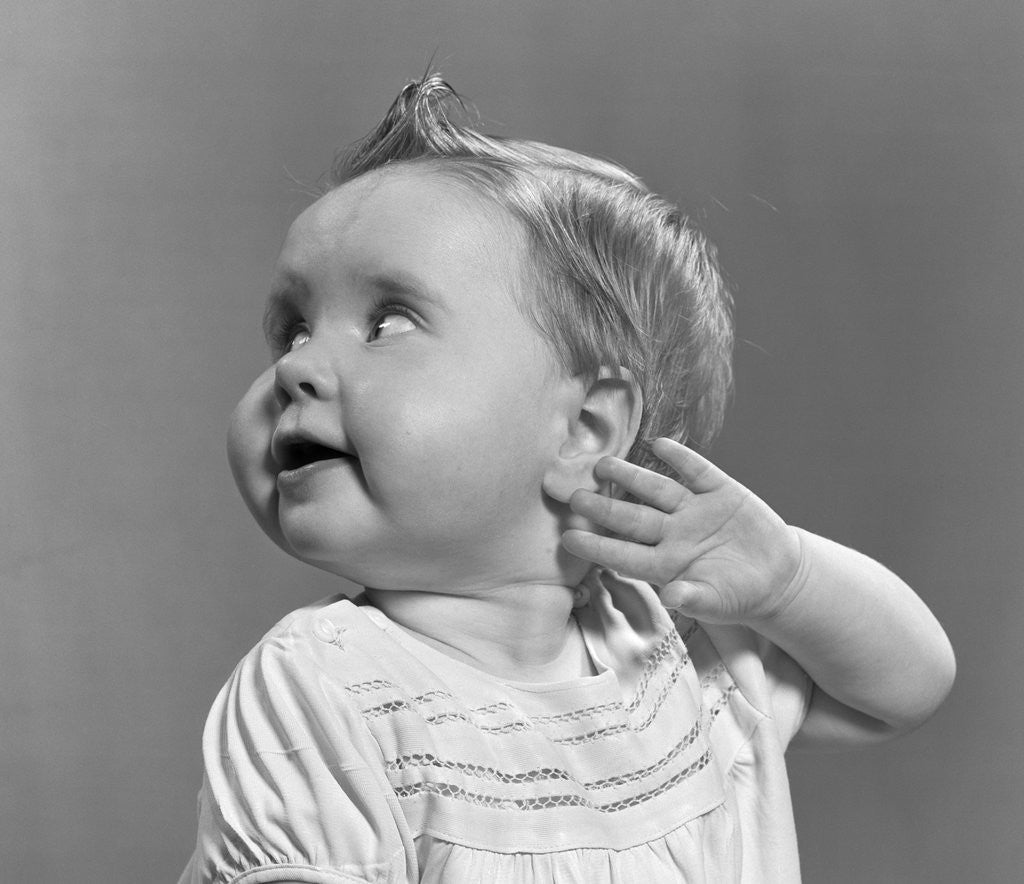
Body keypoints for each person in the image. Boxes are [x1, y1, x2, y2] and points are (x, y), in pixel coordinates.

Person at [178, 74, 955, 883]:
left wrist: (786, 580)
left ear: (583, 429)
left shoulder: (672, 650)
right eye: (291, 330)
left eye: (386, 323)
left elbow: (903, 687)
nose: (299, 366)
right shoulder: (324, 690)